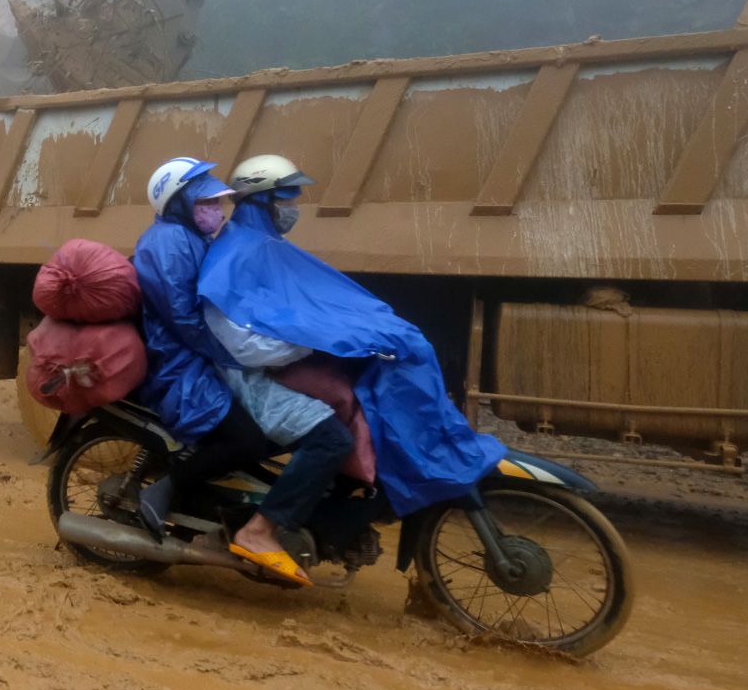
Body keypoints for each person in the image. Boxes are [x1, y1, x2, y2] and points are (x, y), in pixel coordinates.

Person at [200, 154, 507, 527]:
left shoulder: (264, 244)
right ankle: (261, 530)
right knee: (335, 436)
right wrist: (321, 341)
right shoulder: (237, 253)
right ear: (262, 200)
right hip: (250, 375)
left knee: (405, 349)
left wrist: (353, 330)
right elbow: (244, 344)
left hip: (283, 360)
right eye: (286, 199)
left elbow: (313, 303)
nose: (292, 208)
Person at [130, 157, 319, 587]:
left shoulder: (192, 236)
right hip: (180, 366)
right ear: (179, 203)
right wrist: (246, 355)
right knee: (249, 438)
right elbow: (187, 321)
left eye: (219, 200)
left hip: (201, 357)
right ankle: (166, 487)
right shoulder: (166, 244)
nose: (217, 208)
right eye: (207, 201)